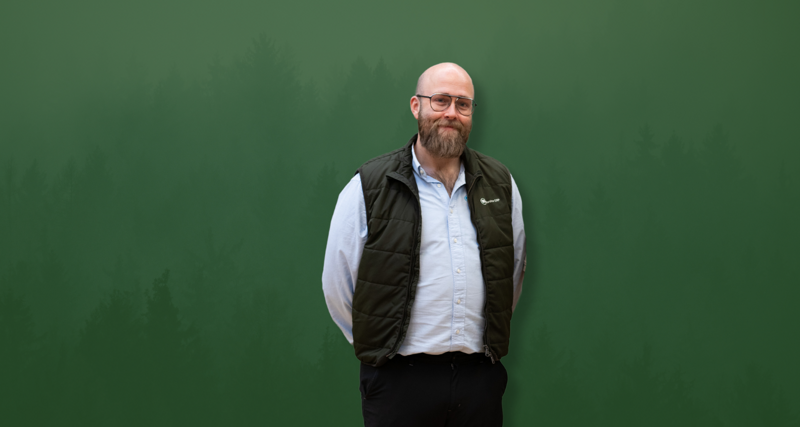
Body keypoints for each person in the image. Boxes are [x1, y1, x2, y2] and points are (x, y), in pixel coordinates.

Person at [322, 62, 526, 427]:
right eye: (441, 100)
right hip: (397, 381)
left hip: (479, 381)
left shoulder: (501, 184)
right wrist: (380, 345)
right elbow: (338, 283)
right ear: (416, 106)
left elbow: (511, 274)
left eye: (463, 104)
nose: (451, 113)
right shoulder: (370, 185)